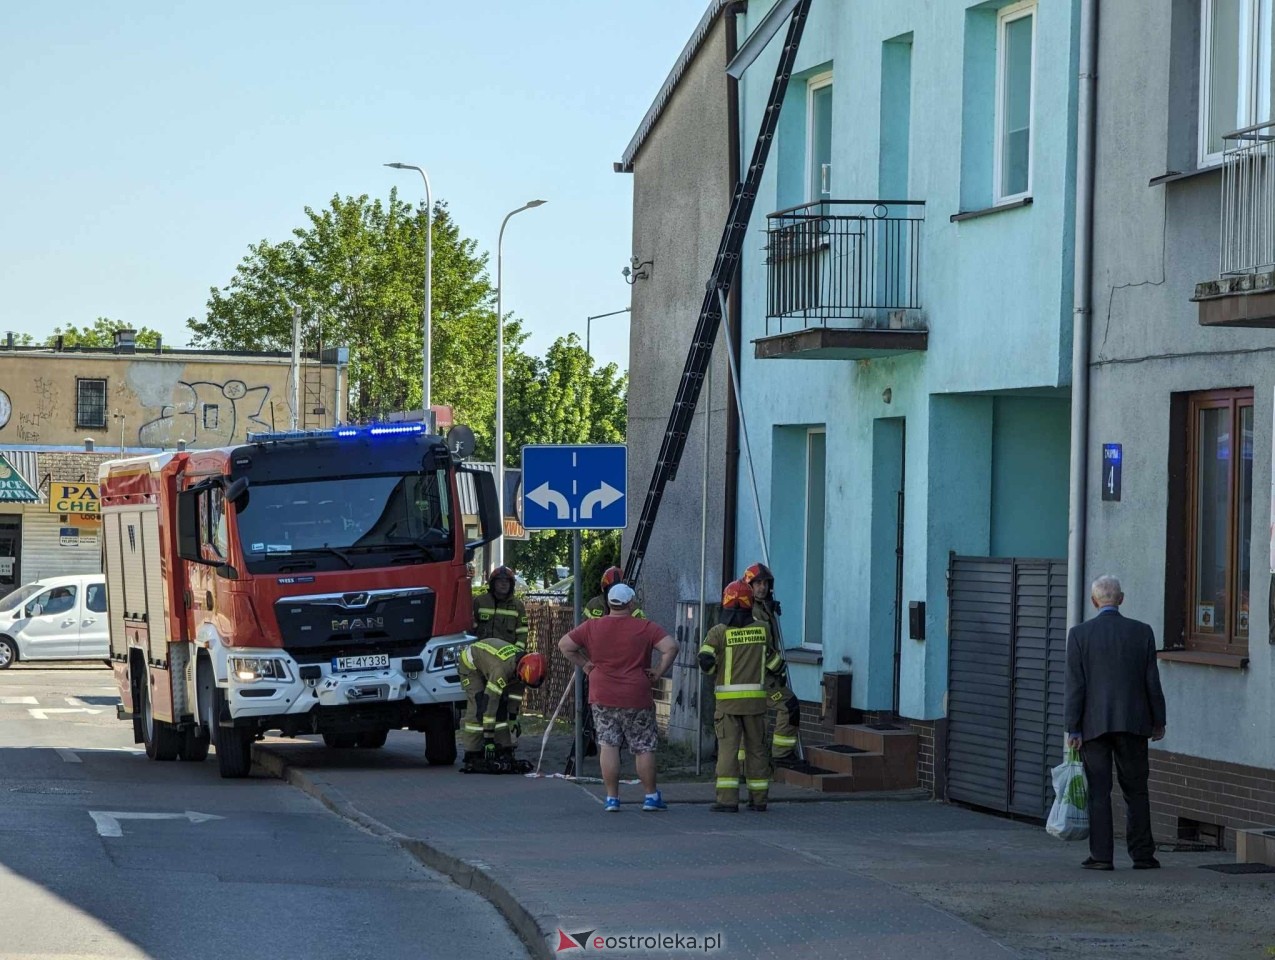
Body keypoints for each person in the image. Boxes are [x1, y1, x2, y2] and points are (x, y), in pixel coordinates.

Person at [1064, 575, 1167, 871]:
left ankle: (1101, 856)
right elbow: (1152, 681)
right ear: (1121, 599)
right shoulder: (1142, 632)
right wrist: (1158, 720)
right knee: (1136, 790)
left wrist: (1072, 727)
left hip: (1093, 726)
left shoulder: (1080, 635)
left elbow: (1076, 685)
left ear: (1095, 601)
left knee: (1099, 791)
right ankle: (1143, 855)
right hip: (1134, 724)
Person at [558, 583, 678, 812]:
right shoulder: (645, 627)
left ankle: (612, 798)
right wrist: (658, 671)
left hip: (602, 694)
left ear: (609, 604)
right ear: (631, 603)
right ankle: (651, 797)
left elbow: (565, 645)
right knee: (643, 746)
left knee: (608, 744)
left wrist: (585, 665)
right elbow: (671, 647)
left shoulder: (592, 627)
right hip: (636, 694)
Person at [699, 579, 785, 813]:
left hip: (727, 706)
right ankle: (759, 800)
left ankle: (727, 801)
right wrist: (780, 671)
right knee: (757, 750)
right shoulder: (762, 629)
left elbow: (705, 663)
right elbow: (772, 662)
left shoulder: (718, 632)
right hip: (756, 704)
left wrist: (713, 665)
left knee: (728, 751)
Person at [742, 562, 800, 767]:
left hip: (766, 676)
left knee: (759, 720)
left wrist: (769, 607)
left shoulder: (763, 608)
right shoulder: (750, 612)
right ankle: (782, 754)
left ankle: (759, 760)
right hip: (760, 676)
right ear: (748, 585)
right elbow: (758, 645)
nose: (762, 587)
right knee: (789, 705)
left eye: (765, 583)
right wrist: (776, 665)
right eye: (757, 583)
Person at [458, 642, 545, 774]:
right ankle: (472, 752)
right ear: (520, 669)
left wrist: (513, 717)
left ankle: (503, 746)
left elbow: (515, 695)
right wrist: (488, 740)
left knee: (502, 705)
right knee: (479, 704)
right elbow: (490, 702)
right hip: (471, 666)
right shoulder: (501, 670)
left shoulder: (523, 667)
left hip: (489, 662)